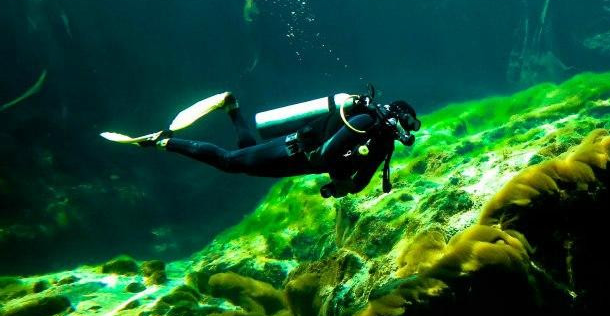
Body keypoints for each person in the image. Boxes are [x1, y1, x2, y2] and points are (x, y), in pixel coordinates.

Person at [101, 89, 420, 198]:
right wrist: (338, 178)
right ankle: (162, 142)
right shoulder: (365, 122)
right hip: (294, 151)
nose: (406, 132)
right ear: (396, 117)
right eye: (407, 124)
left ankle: (232, 107)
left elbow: (361, 181)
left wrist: (341, 188)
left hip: (299, 160)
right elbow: (328, 153)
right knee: (229, 162)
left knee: (241, 158)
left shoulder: (382, 143)